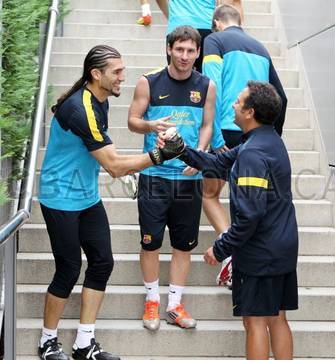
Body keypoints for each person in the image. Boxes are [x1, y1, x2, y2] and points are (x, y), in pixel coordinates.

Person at [37, 45, 183, 360]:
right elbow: (115, 166)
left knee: (102, 262)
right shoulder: (81, 109)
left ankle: (83, 344)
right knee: (69, 268)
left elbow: (112, 157)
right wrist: (158, 156)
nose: (122, 77)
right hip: (60, 196)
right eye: (116, 72)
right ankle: (47, 341)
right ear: (96, 74)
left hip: (86, 195)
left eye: (122, 70)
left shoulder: (100, 102)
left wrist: (145, 155)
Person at [161, 81, 299, 360]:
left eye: (238, 101)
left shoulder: (252, 154)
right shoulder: (268, 140)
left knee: (255, 321)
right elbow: (218, 164)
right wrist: (180, 149)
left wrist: (221, 248)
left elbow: (250, 215)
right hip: (282, 245)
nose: (233, 105)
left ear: (250, 112)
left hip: (261, 252)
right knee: (277, 318)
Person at [127, 26, 215, 331]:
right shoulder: (148, 81)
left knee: (183, 245)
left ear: (198, 53)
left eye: (191, 51)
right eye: (179, 49)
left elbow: (207, 125)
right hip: (154, 175)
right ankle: (152, 301)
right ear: (168, 49)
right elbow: (132, 121)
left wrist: (200, 154)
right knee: (150, 243)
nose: (185, 56)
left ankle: (175, 306)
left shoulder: (206, 85)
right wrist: (151, 126)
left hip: (189, 179)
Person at [201, 5, 288, 283]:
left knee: (209, 195)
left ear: (216, 23)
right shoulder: (260, 47)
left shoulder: (214, 40)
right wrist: (272, 135)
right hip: (255, 133)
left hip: (226, 131)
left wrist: (214, 140)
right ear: (241, 21)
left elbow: (210, 88)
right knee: (248, 200)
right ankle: (239, 253)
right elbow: (281, 97)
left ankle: (230, 253)